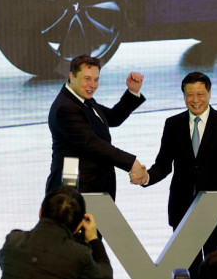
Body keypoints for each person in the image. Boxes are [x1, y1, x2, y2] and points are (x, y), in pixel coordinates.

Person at [136, 71, 217, 278]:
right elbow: (163, 165)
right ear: (184, 95)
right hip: (182, 211)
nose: (195, 100)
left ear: (210, 93)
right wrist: (146, 177)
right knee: (187, 271)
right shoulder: (173, 124)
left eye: (200, 94)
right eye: (190, 95)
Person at [45, 55, 148, 200]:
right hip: (75, 188)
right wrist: (131, 163)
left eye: (96, 79)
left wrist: (132, 92)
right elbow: (92, 143)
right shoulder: (66, 108)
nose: (92, 85)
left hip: (92, 184)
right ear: (72, 77)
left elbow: (112, 117)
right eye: (87, 78)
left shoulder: (81, 100)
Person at [0, 186, 113, 279]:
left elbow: (2, 260)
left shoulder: (13, 240)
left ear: (40, 212)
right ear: (79, 226)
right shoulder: (79, 255)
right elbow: (106, 276)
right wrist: (93, 239)